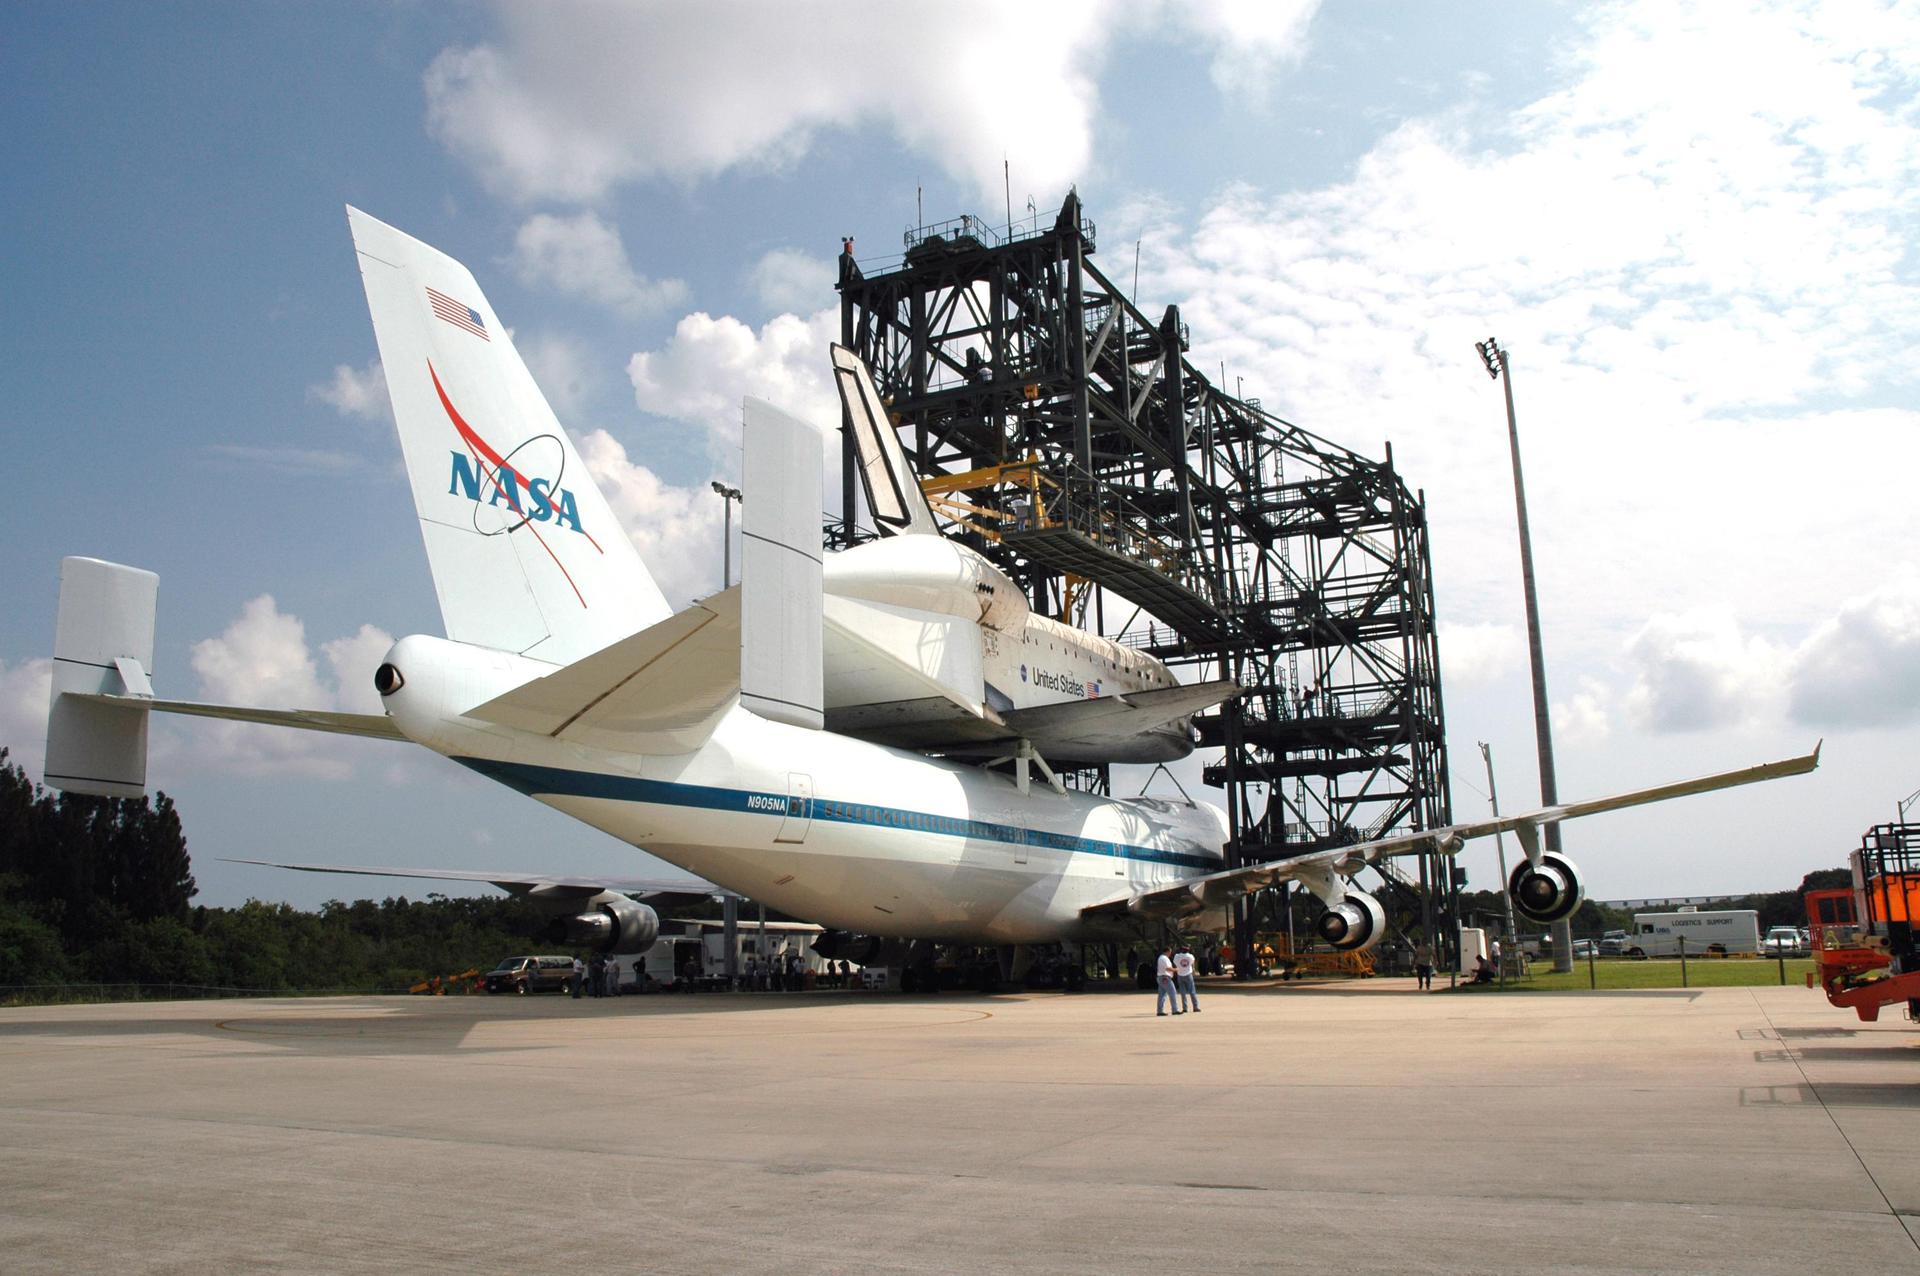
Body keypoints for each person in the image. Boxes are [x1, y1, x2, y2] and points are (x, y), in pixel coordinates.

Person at [1174, 943, 1200, 1013]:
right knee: (1192, 991)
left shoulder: (1177, 956)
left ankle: (1185, 1008)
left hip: (1180, 975)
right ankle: (1195, 1007)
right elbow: (1192, 964)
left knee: (1183, 993)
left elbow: (1175, 963)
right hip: (1188, 974)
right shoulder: (1190, 956)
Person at [1154, 946, 1179, 1016]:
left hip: (1161, 977)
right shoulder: (1164, 958)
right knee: (1172, 992)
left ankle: (1160, 1011)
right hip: (1165, 977)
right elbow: (1168, 968)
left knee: (1162, 995)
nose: (1170, 953)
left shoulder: (1161, 958)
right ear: (1167, 951)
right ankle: (1175, 1009)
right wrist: (1176, 969)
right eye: (1170, 952)